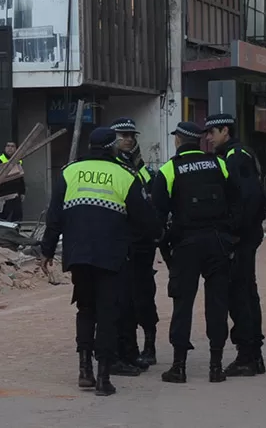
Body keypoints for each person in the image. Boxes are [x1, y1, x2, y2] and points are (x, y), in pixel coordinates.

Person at [39, 126, 158, 396]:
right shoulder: (125, 175)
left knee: (85, 309)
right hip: (112, 256)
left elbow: (54, 216)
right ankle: (103, 377)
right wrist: (154, 236)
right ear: (111, 147)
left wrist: (46, 251)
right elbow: (145, 218)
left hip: (78, 255)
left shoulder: (69, 172)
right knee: (107, 314)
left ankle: (84, 370)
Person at [152, 118, 241, 384]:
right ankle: (216, 366)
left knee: (183, 304)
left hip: (185, 245)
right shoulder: (219, 163)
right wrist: (231, 236)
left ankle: (178, 367)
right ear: (199, 141)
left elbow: (157, 215)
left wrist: (163, 243)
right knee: (217, 303)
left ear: (178, 140)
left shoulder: (169, 169)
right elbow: (237, 200)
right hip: (218, 243)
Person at [216, 117, 266, 378]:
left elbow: (248, 197)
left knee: (240, 294)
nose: (209, 138)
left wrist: (234, 234)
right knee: (246, 292)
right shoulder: (239, 154)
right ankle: (252, 354)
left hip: (242, 239)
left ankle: (248, 354)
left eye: (212, 132)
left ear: (226, 131)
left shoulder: (235, 157)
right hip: (248, 235)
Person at [111, 117, 159, 369]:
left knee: (144, 295)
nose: (128, 139)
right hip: (119, 240)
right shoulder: (111, 166)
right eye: (123, 135)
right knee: (121, 298)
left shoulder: (142, 168)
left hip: (142, 243)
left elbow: (152, 199)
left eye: (131, 135)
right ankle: (127, 349)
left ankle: (149, 345)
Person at [0, 141, 26, 222]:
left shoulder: (18, 160)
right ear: (5, 148)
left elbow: (21, 177)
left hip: (16, 193)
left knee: (17, 216)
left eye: (12, 146)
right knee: (1, 217)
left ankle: (15, 233)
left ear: (16, 149)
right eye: (8, 146)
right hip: (3, 193)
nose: (10, 148)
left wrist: (23, 192)